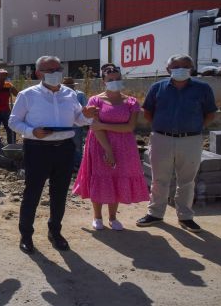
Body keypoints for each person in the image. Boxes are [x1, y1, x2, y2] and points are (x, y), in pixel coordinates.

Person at [9, 56, 98, 254]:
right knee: (32, 193)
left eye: (58, 68)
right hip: (37, 148)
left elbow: (77, 120)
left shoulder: (69, 94)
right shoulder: (27, 95)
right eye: (49, 70)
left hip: (64, 148)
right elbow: (14, 122)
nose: (55, 73)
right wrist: (33, 131)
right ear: (38, 73)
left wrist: (88, 116)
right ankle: (26, 234)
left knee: (59, 194)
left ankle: (55, 232)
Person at [136, 54, 217, 233]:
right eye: (176, 66)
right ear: (168, 70)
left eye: (185, 65)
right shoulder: (158, 87)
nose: (180, 69)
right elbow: (147, 111)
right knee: (159, 179)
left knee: (187, 180)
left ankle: (185, 216)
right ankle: (155, 213)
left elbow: (210, 113)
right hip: (161, 139)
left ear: (192, 68)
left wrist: (195, 127)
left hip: (191, 140)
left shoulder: (203, 88)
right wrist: (161, 128)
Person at [72, 64, 149, 231]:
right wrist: (108, 150)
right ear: (103, 81)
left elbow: (129, 128)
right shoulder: (95, 100)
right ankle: (97, 216)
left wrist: (103, 125)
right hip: (100, 144)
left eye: (117, 79)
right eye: (110, 80)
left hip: (124, 147)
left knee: (117, 177)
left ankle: (113, 217)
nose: (115, 82)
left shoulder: (131, 102)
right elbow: (95, 128)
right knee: (100, 177)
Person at [62, 77, 87, 170]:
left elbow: (85, 109)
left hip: (76, 125)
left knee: (77, 146)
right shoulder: (59, 95)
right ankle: (68, 165)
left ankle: (78, 165)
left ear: (73, 86)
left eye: (70, 86)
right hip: (63, 125)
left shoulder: (80, 95)